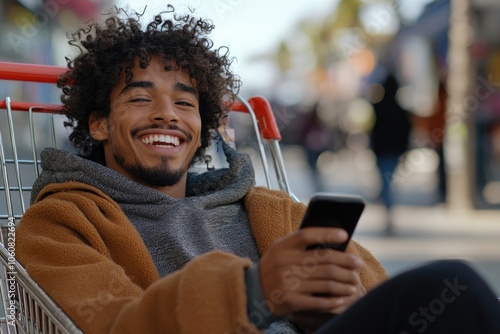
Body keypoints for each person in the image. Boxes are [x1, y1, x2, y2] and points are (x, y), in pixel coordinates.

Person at [15, 6, 500, 334]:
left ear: (201, 126)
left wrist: (339, 297)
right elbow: (111, 324)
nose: (167, 115)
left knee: (451, 289)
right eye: (140, 98)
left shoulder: (270, 211)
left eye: (185, 103)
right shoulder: (61, 225)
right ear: (98, 123)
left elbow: (374, 287)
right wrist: (252, 294)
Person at [369, 72, 412, 234]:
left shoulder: (379, 108)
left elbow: (374, 132)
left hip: (382, 152)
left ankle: (388, 215)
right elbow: (406, 132)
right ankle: (388, 215)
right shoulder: (401, 111)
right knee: (387, 183)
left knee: (385, 183)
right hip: (393, 152)